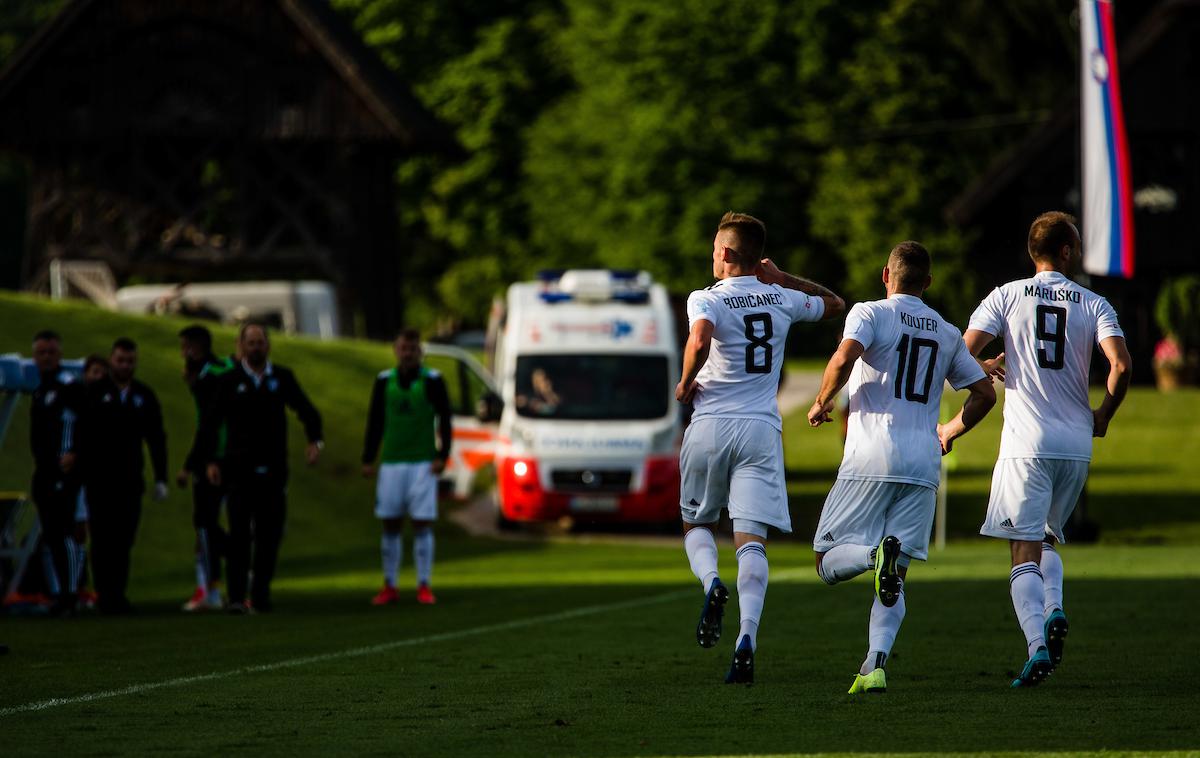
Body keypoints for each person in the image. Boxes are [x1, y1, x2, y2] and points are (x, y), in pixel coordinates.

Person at [807, 241, 997, 694]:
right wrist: (949, 430)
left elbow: (844, 357)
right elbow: (984, 394)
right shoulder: (947, 331)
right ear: (928, 283)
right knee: (897, 576)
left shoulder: (870, 313)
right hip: (923, 462)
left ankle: (875, 556)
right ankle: (874, 666)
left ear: (885, 275)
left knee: (824, 560)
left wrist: (820, 402)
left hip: (872, 454)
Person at [962, 212, 1131, 687]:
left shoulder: (1006, 295)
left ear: (1031, 251)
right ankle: (1055, 607)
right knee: (1049, 537)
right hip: (1076, 443)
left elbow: (960, 349)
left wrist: (984, 365)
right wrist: (1103, 416)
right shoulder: (1094, 302)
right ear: (1067, 251)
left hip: (1026, 443)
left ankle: (1036, 646)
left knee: (1023, 548)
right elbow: (1121, 365)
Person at [677, 211, 845, 684]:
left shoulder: (704, 298)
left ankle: (712, 583)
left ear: (727, 254)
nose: (712, 256)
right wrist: (782, 277)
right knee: (751, 540)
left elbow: (699, 338)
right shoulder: (781, 297)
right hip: (760, 431)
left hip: (711, 423)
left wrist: (686, 380)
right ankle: (746, 636)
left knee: (697, 522)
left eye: (715, 249)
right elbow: (834, 304)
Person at [193, 323, 323, 614]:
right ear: (241, 346)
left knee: (269, 535)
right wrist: (211, 460)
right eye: (250, 343)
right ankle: (237, 597)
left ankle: (260, 595)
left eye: (260, 342)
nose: (256, 347)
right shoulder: (229, 381)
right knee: (239, 535)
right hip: (238, 470)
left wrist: (315, 440)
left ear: (268, 345)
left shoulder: (281, 378)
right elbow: (210, 424)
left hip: (274, 469)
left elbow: (307, 410)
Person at [361, 330, 453, 606]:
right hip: (391, 462)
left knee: (422, 522)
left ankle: (423, 584)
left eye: (412, 349)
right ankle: (390, 584)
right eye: (403, 348)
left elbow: (445, 419)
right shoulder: (384, 381)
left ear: (419, 352)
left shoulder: (433, 380)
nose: (408, 353)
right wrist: (368, 457)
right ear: (395, 350)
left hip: (422, 462)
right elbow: (375, 421)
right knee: (390, 522)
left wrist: (442, 454)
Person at [81, 338, 169, 614]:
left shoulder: (144, 395)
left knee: (124, 538)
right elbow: (82, 435)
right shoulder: (94, 393)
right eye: (120, 360)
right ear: (111, 361)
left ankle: (117, 593)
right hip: (99, 480)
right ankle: (105, 594)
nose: (125, 365)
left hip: (130, 479)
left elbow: (156, 439)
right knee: (102, 538)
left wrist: (161, 477)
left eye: (130, 361)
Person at [176, 325, 236, 612]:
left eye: (186, 346)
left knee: (205, 525)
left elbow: (210, 423)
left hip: (216, 456)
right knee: (207, 525)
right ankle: (211, 585)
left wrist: (196, 463)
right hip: (223, 454)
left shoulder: (212, 376)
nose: (183, 352)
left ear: (197, 347)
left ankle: (212, 588)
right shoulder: (217, 369)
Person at [28, 330, 86, 615]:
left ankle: (71, 592)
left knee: (65, 533)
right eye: (41, 353)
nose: (46, 358)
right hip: (45, 472)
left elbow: (88, 424)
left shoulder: (70, 386)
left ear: (59, 354)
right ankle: (58, 592)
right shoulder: (40, 390)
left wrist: (76, 453)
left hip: (65, 474)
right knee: (51, 534)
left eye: (51, 352)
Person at [72, 354, 109, 609]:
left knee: (93, 533)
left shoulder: (107, 403)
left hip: (98, 478)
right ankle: (76, 586)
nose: (98, 377)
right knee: (76, 531)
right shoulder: (76, 399)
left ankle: (90, 587)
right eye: (94, 372)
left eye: (101, 373)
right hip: (78, 477)